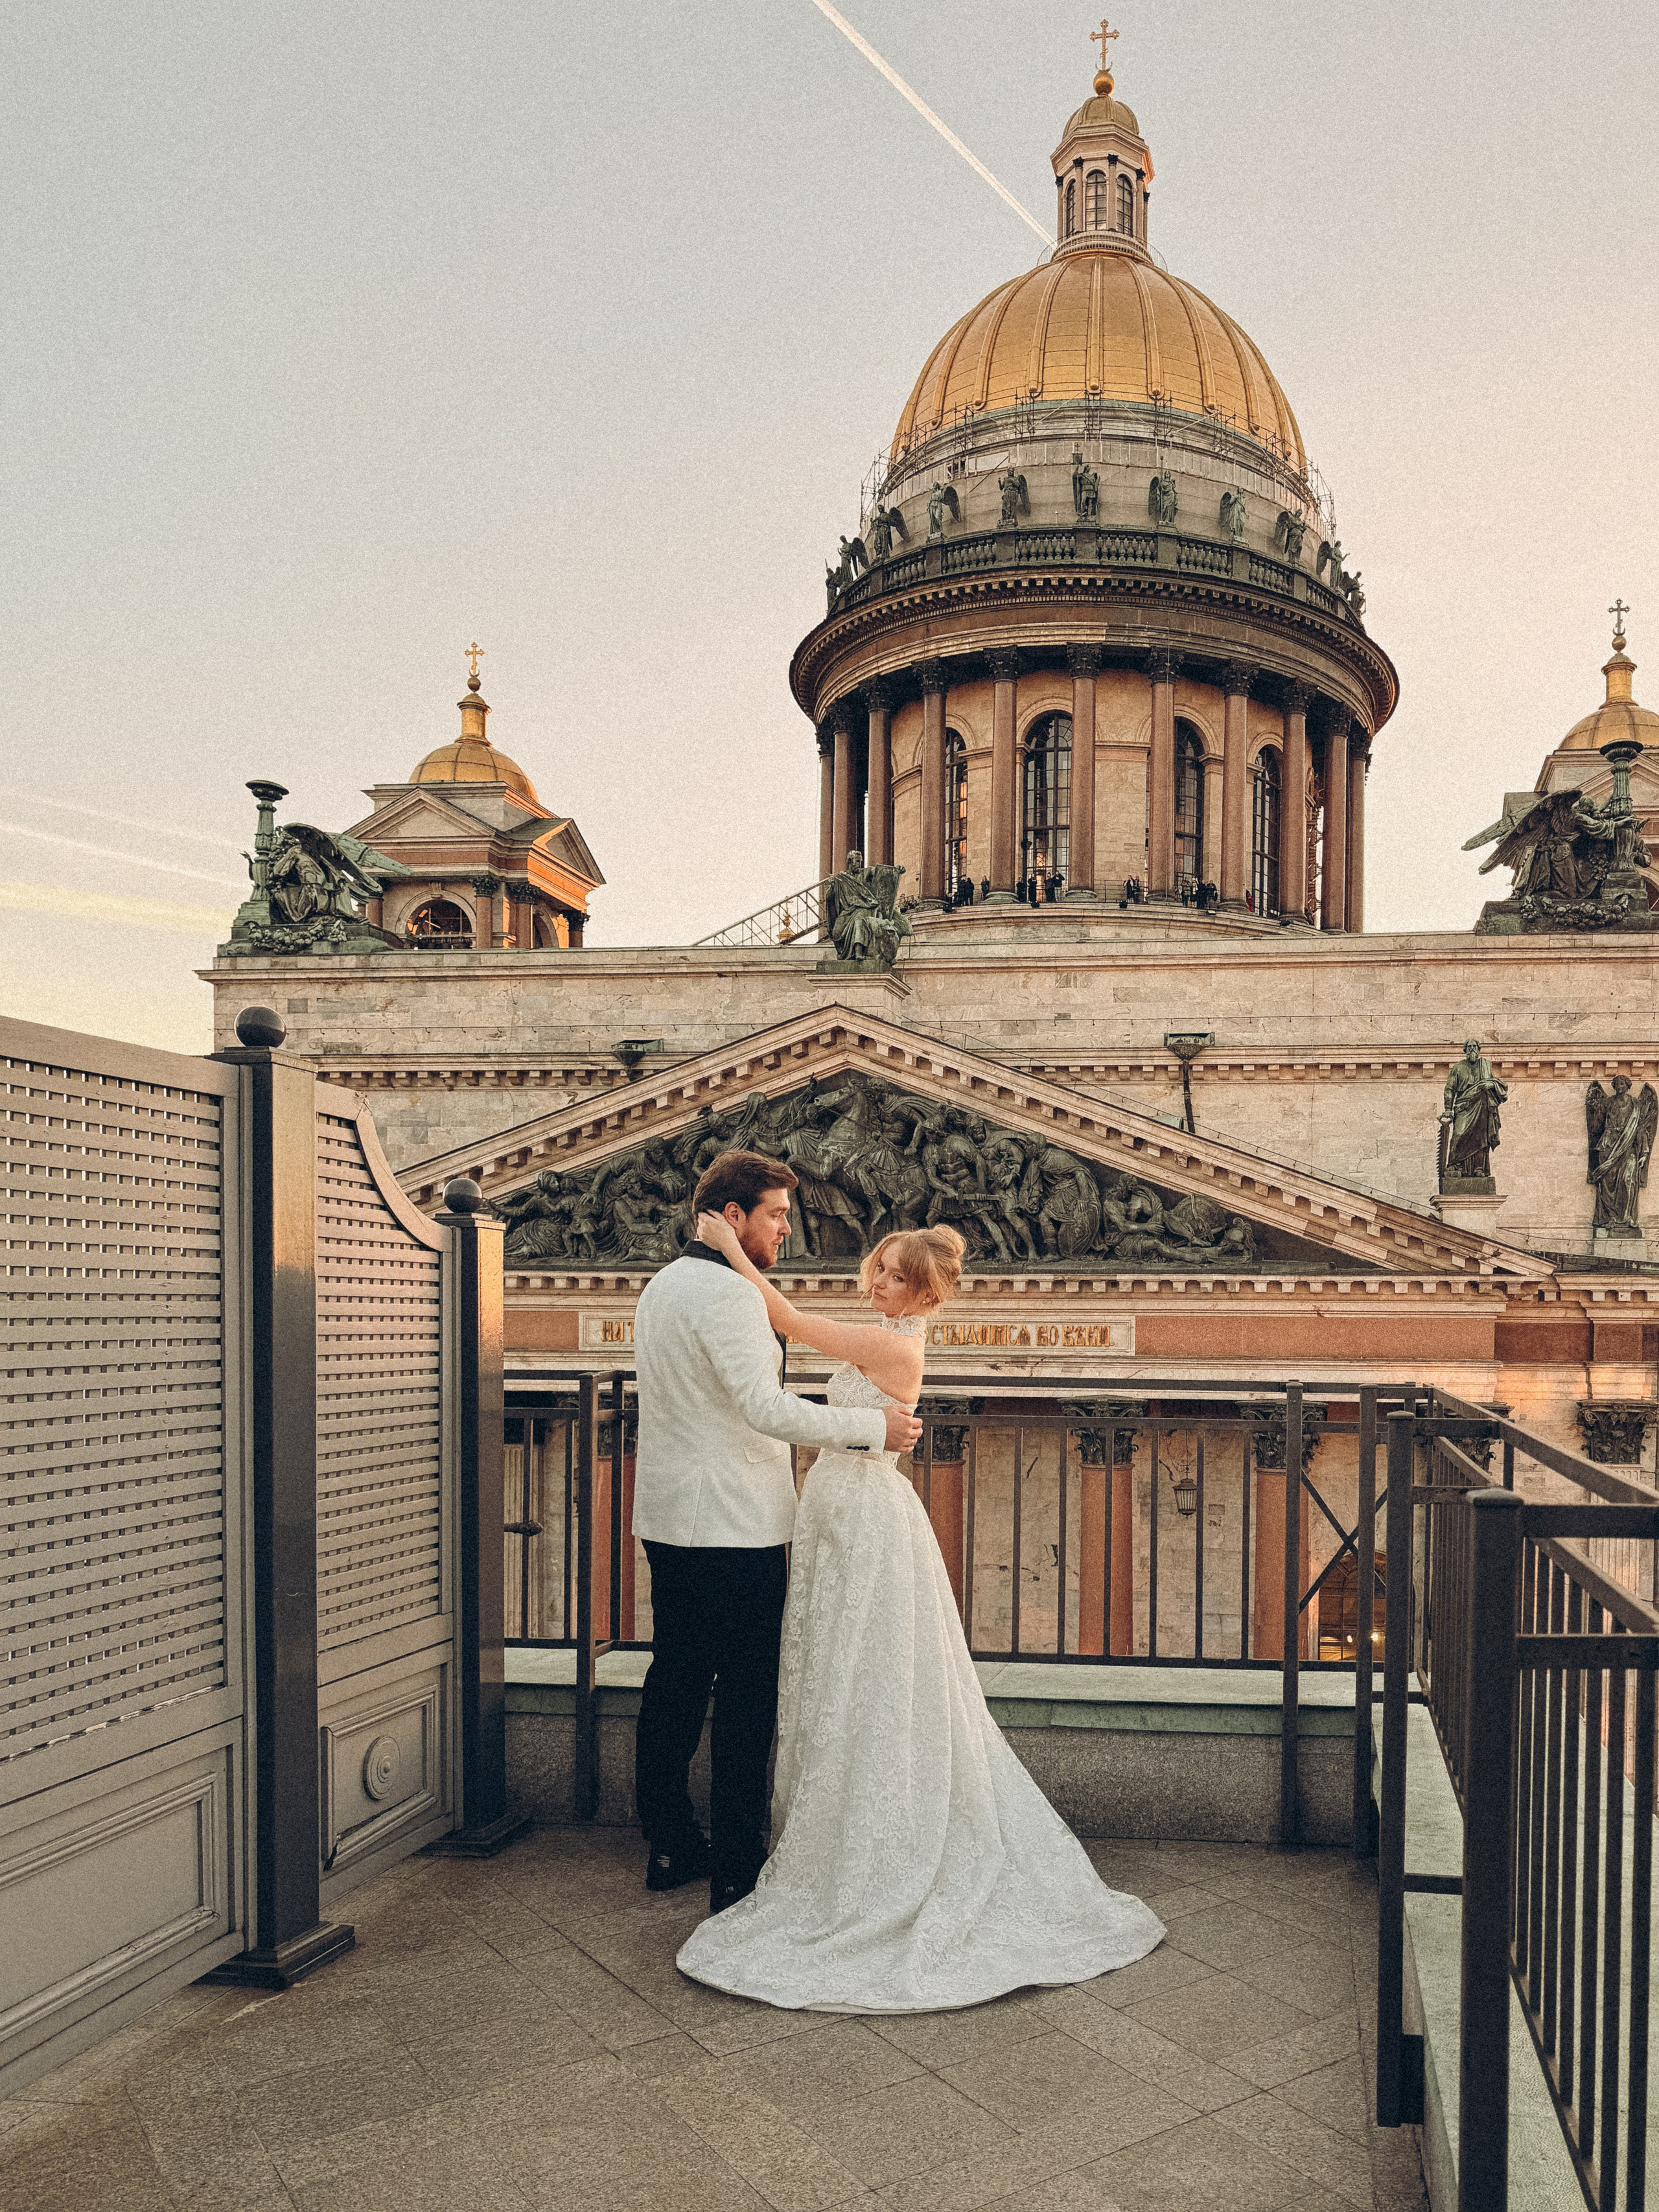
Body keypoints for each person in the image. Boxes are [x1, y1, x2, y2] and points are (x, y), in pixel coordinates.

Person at [676, 1215, 1165, 2012]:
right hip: (838, 1508)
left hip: (866, 1516)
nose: (877, 1282)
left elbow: (786, 1318)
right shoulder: (884, 1337)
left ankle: (868, 1848)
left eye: (894, 1276)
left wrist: (728, 1245)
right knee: (835, 1667)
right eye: (877, 1268)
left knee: (865, 1670)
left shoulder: (896, 1347)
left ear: (924, 1292)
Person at [631, 1150, 922, 1915]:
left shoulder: (662, 1285)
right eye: (777, 1215)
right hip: (733, 1523)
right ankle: (736, 1864)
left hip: (666, 1514)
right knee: (745, 1697)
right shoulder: (731, 1295)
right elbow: (763, 1408)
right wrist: (873, 1428)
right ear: (734, 1216)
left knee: (675, 1680)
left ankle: (668, 1841)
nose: (788, 1229)